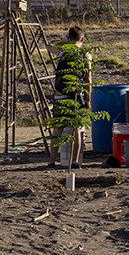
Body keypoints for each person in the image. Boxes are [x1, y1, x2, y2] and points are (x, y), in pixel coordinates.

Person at [48, 26, 92, 169]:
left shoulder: (62, 51)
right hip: (76, 97)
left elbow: (49, 46)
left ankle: (51, 161)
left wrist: (63, 41)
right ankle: (74, 162)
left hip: (60, 96)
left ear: (69, 37)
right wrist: (88, 100)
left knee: (57, 130)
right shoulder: (86, 54)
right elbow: (88, 80)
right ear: (83, 39)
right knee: (76, 129)